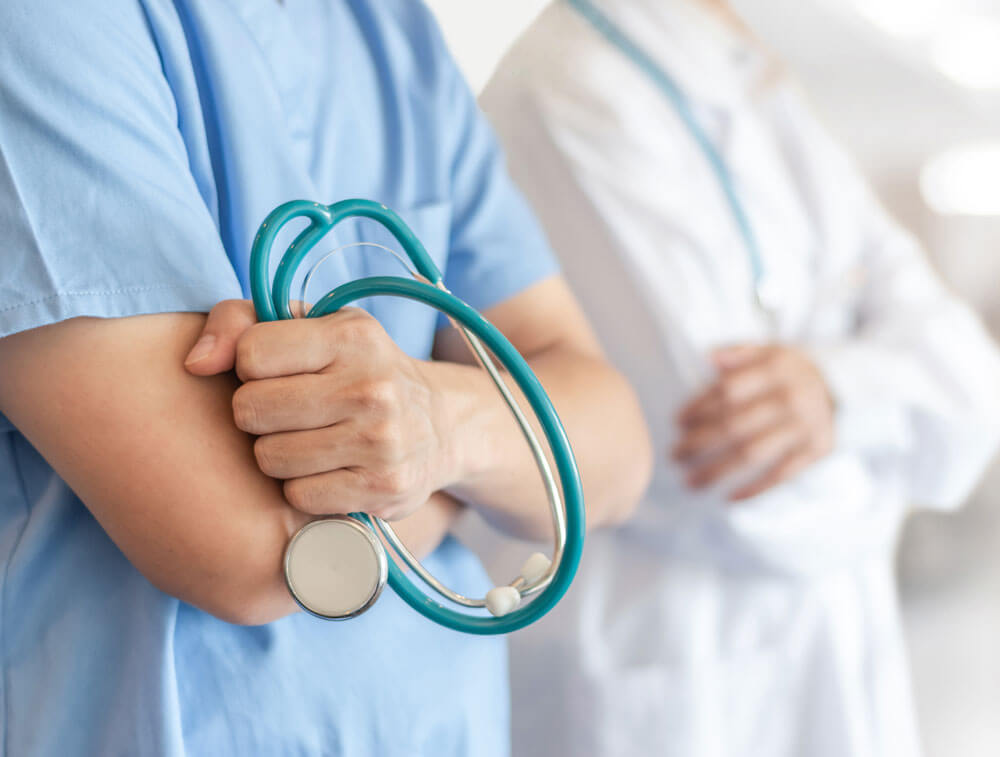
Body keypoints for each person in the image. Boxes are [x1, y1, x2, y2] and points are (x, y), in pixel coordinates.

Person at [0, 1, 652, 755]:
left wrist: (436, 426)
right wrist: (481, 460)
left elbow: (617, 451)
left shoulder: (390, 29)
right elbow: (249, 552)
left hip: (444, 725)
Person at [472, 1, 1000, 754]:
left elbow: (973, 386)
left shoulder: (751, 69)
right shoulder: (571, 88)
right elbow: (736, 472)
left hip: (818, 642)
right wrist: (891, 440)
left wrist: (833, 391)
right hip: (669, 654)